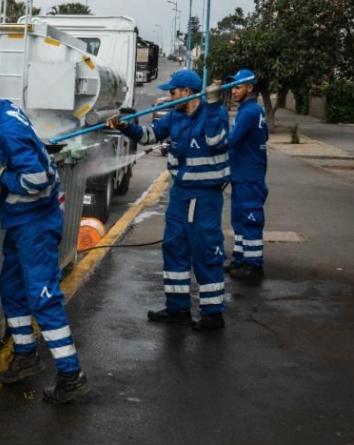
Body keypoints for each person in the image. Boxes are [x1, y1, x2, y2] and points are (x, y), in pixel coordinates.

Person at [0, 69, 90, 404]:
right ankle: (25, 355)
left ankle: (71, 374)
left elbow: (38, 180)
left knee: (43, 297)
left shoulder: (8, 130)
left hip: (36, 222)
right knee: (10, 287)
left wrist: (2, 175)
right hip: (21, 218)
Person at [107, 69, 229, 331]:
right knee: (174, 247)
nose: (169, 97)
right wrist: (125, 126)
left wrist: (216, 104)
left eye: (173, 92)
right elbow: (150, 135)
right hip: (180, 192)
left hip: (203, 195)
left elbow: (216, 141)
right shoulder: (175, 115)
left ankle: (212, 313)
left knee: (205, 250)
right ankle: (177, 308)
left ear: (187, 92)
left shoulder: (213, 114)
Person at [224, 69, 268, 281]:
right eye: (233, 87)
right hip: (243, 174)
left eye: (238, 87)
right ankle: (240, 258)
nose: (233, 91)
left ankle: (253, 265)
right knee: (239, 220)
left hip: (248, 175)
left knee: (250, 220)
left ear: (250, 88)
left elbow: (231, 140)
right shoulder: (252, 110)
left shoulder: (249, 112)